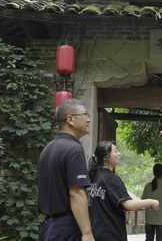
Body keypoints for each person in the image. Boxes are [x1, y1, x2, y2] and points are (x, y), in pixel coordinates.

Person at [38, 99, 94, 241]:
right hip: (66, 226)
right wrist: (87, 233)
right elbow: (76, 193)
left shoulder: (48, 148)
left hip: (48, 226)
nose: (89, 119)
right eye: (85, 114)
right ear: (70, 119)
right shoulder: (74, 149)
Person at [88, 141, 160, 241]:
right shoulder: (111, 178)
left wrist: (138, 200)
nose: (119, 154)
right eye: (116, 151)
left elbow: (125, 194)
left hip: (98, 234)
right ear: (106, 157)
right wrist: (152, 202)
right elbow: (128, 205)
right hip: (112, 234)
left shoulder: (95, 176)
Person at [142, 164, 162, 241]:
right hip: (161, 220)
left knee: (149, 239)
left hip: (149, 219)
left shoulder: (147, 186)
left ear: (154, 173)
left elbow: (143, 201)